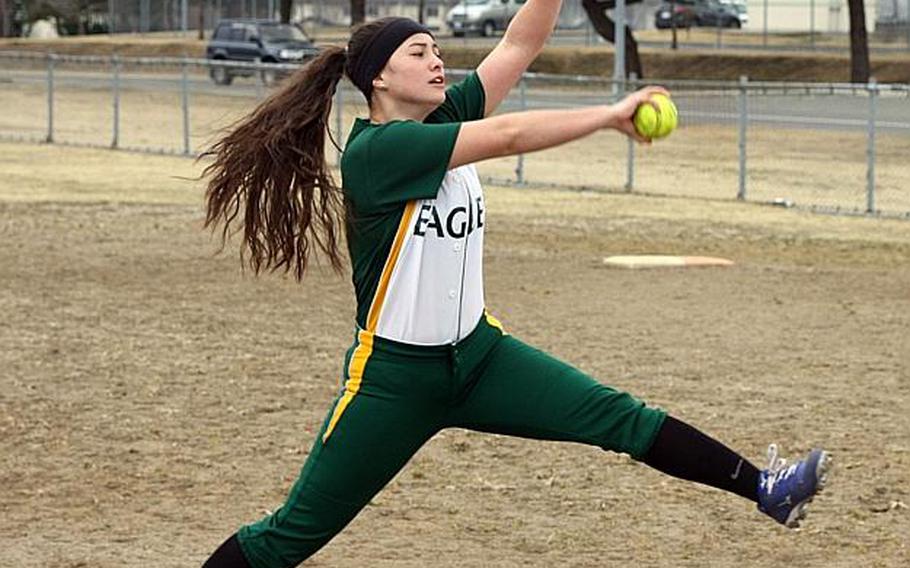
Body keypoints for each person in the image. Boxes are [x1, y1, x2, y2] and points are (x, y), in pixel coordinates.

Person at [198, 6, 831, 568]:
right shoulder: (379, 152)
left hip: (481, 357)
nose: (437, 59)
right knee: (292, 535)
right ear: (378, 79)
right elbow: (508, 136)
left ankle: (767, 489)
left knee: (623, 418)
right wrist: (610, 115)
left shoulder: (443, 118)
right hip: (394, 380)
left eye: (437, 49)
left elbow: (520, 44)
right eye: (418, 53)